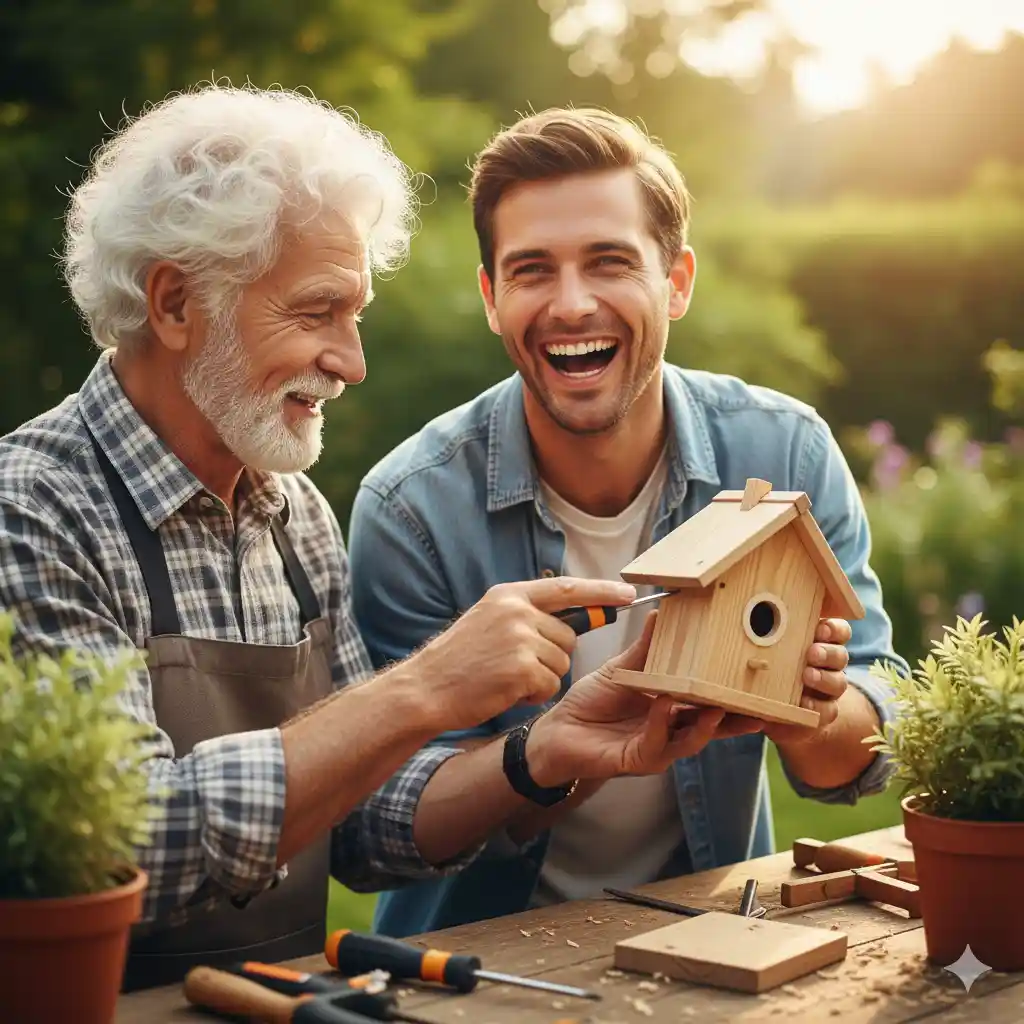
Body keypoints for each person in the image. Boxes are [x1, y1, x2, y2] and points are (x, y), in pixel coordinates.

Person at [0, 86, 747, 991]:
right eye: (316, 313)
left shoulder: (293, 516)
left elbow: (358, 827)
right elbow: (122, 842)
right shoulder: (34, 509)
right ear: (173, 303)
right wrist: (427, 687)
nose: (352, 361)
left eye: (354, 316)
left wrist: (538, 755)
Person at [348, 106, 910, 938]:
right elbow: (383, 824)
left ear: (676, 282)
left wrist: (814, 708)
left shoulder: (783, 453)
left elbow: (875, 721)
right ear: (492, 298)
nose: (571, 304)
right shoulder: (413, 509)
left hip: (710, 937)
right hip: (473, 966)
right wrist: (547, 756)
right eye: (532, 270)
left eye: (609, 262)